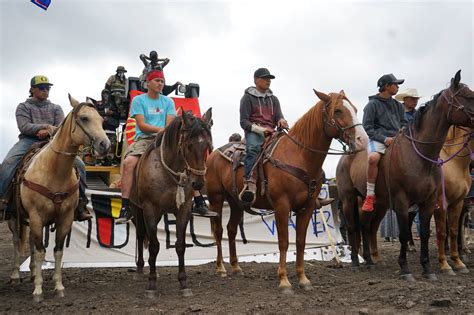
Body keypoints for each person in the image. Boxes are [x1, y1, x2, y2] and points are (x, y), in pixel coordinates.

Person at [116, 70, 217, 224]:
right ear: (147, 83)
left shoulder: (168, 102)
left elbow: (169, 124)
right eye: (157, 81)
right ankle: (125, 206)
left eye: (162, 81)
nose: (160, 84)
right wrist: (162, 131)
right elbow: (142, 125)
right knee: (129, 163)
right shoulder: (138, 100)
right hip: (144, 139)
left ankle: (199, 201)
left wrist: (165, 133)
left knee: (187, 159)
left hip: (166, 139)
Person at [0, 75, 91, 221]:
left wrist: (49, 131)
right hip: (28, 141)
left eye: (47, 88)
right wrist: (45, 127)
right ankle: (3, 201)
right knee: (8, 163)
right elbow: (24, 126)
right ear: (32, 90)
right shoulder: (23, 107)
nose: (45, 91)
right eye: (42, 88)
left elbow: (61, 127)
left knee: (80, 165)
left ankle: (81, 203)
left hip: (52, 142)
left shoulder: (56, 108)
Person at [238, 68, 288, 204]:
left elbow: (278, 116)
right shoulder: (247, 98)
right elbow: (244, 122)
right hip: (254, 132)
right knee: (253, 148)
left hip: (272, 131)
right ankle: (249, 182)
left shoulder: (274, 99)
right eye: (265, 78)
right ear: (256, 80)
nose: (268, 81)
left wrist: (281, 121)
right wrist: (260, 130)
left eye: (269, 78)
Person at [361, 74, 408, 212]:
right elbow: (368, 127)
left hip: (398, 139)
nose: (398, 87)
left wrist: (401, 133)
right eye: (395, 84)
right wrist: (384, 139)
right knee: (372, 158)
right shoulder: (371, 105)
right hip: (378, 139)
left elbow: (404, 122)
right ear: (387, 86)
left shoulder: (398, 105)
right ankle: (370, 195)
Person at [395, 88, 422, 248]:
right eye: (412, 99)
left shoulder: (419, 113)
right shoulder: (400, 113)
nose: (415, 101)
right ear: (405, 100)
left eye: (416, 99)